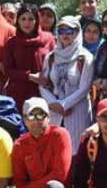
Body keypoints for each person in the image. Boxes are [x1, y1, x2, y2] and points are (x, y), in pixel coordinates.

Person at [39, 16, 94, 153]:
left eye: (70, 30)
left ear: (77, 32)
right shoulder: (51, 57)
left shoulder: (85, 57)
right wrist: (54, 104)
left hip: (77, 112)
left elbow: (84, 88)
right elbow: (43, 83)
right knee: (54, 151)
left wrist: (64, 105)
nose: (65, 35)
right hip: (54, 112)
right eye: (61, 30)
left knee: (76, 152)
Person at [3, 3, 55, 111]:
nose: (27, 23)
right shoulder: (12, 43)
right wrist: (29, 76)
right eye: (23, 19)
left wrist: (48, 78)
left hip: (44, 91)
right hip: (19, 92)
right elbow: (8, 70)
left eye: (31, 19)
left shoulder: (48, 39)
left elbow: (56, 63)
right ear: (18, 21)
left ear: (36, 21)